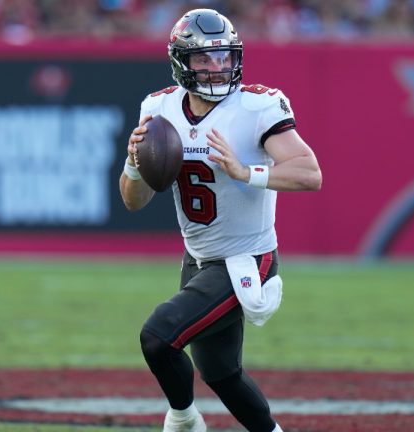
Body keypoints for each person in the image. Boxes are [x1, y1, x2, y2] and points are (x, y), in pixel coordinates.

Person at [119, 8, 321, 432]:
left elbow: (309, 173)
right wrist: (135, 164)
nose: (216, 67)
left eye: (223, 56)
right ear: (181, 62)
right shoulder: (159, 108)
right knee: (221, 373)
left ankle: (183, 419)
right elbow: (133, 201)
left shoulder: (256, 106)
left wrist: (246, 172)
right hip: (198, 259)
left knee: (158, 337)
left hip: (247, 259)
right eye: (203, 58)